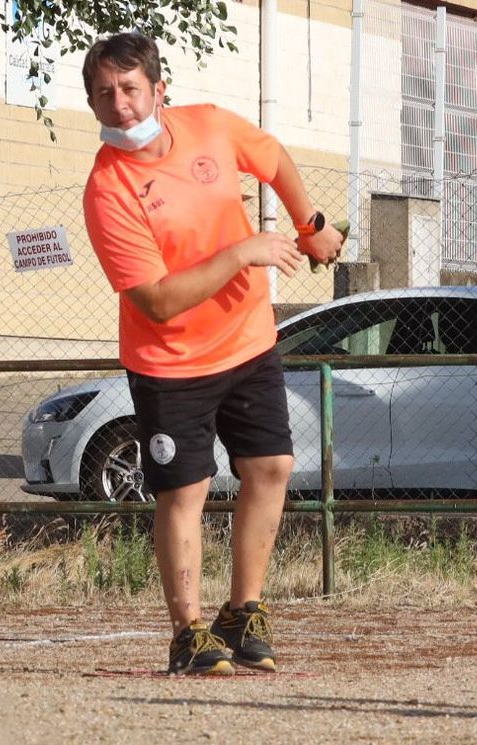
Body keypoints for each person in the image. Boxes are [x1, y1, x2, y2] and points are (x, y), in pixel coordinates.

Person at [80, 32, 345, 676]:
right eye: (104, 95)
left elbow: (274, 157)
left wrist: (310, 226)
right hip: (171, 363)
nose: (120, 105)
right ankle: (189, 633)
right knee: (186, 491)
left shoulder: (210, 128)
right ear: (92, 105)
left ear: (158, 90)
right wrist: (243, 252)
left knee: (273, 467)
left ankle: (243, 612)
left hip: (248, 341)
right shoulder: (108, 190)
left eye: (130, 89)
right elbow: (160, 302)